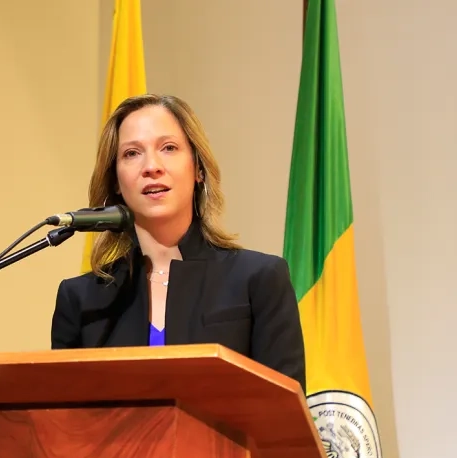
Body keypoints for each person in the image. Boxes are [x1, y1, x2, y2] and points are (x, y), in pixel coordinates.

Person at [50, 94, 306, 392]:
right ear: (116, 182)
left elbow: (282, 417)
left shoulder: (259, 279)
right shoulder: (81, 298)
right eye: (132, 153)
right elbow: (67, 425)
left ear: (198, 168)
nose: (151, 166)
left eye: (168, 148)